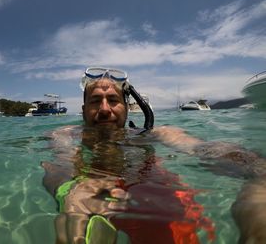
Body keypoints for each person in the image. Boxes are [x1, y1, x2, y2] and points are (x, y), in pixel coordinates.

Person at [42, 67, 266, 244]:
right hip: (87, 190)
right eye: (94, 101)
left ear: (126, 108)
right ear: (83, 110)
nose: (104, 109)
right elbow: (58, 164)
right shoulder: (64, 135)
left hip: (150, 192)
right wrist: (67, 190)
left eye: (113, 100)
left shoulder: (156, 133)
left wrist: (255, 166)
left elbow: (205, 149)